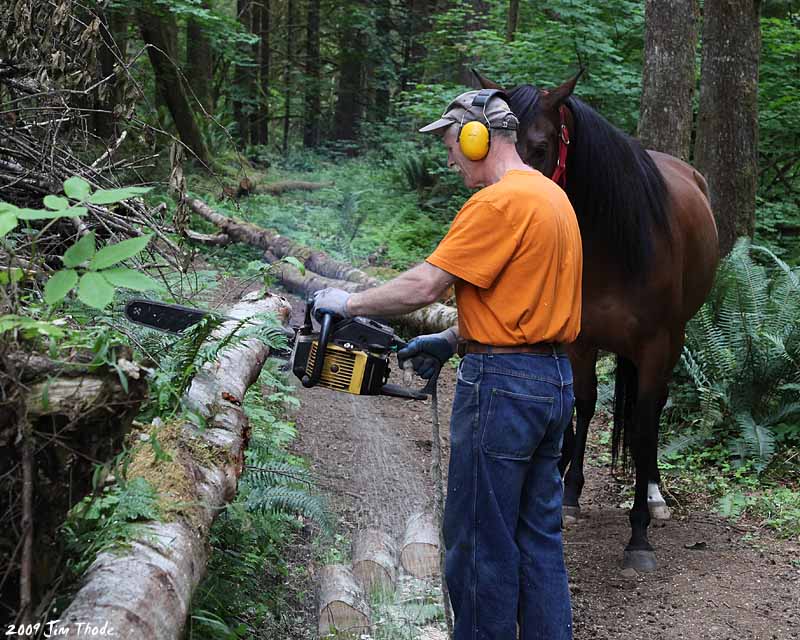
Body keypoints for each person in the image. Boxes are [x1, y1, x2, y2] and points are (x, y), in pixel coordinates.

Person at [312, 89, 582, 640]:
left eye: (451, 145)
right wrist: (454, 338)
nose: (449, 158)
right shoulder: (553, 199)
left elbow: (425, 283)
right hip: (553, 382)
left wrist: (347, 302)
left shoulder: (496, 203)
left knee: (480, 541)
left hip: (503, 390)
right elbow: (530, 300)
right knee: (538, 540)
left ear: (476, 136)